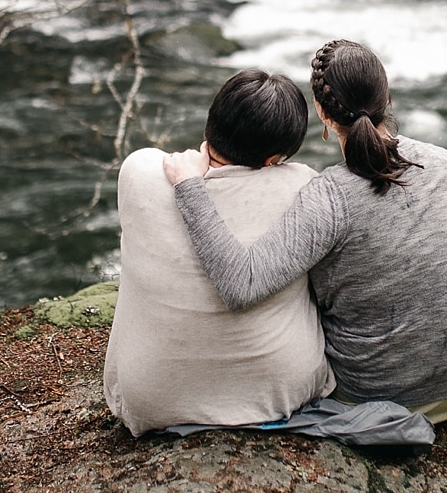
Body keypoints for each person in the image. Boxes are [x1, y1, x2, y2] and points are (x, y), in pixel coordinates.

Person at [162, 39, 447, 423]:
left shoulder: (327, 197)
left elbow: (243, 283)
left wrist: (189, 187)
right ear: (386, 96)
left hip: (378, 395)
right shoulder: (442, 162)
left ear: (321, 113)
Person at [102, 68, 331, 439]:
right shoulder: (302, 185)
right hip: (277, 393)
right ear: (275, 159)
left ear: (212, 121)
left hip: (151, 399)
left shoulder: (138, 172)